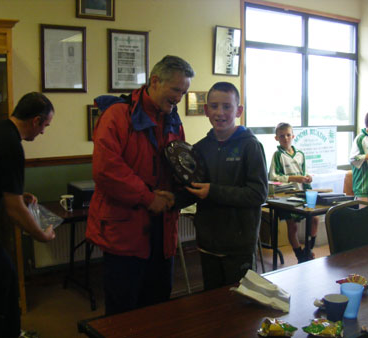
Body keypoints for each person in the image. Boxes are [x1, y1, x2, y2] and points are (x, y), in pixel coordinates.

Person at [86, 55, 195, 315]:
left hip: (163, 228)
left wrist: (187, 185)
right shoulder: (117, 115)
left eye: (184, 92)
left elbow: (178, 162)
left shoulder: (172, 119)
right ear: (155, 81)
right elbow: (106, 170)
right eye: (176, 90)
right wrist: (148, 198)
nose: (180, 98)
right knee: (123, 310)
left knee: (158, 304)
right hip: (125, 232)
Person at [0, 92, 56, 338]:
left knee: (5, 275)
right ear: (36, 120)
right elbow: (14, 209)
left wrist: (19, 193)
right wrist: (41, 235)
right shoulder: (10, 145)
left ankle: (8, 333)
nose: (42, 133)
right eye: (45, 126)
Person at [171, 82, 268, 290]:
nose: (220, 112)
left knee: (240, 305)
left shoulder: (251, 146)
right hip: (207, 243)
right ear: (206, 110)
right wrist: (170, 199)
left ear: (238, 110)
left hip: (239, 246)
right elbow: (194, 190)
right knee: (212, 303)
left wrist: (213, 191)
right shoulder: (199, 148)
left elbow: (258, 194)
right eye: (214, 106)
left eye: (227, 106)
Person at [269, 122, 319, 263]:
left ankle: (308, 250)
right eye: (282, 136)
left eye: (288, 135)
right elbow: (273, 177)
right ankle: (300, 255)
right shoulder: (278, 155)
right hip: (287, 195)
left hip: (302, 193)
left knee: (314, 219)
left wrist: (307, 178)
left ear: (293, 136)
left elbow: (304, 173)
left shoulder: (301, 155)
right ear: (276, 138)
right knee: (293, 226)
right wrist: (292, 178)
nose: (286, 138)